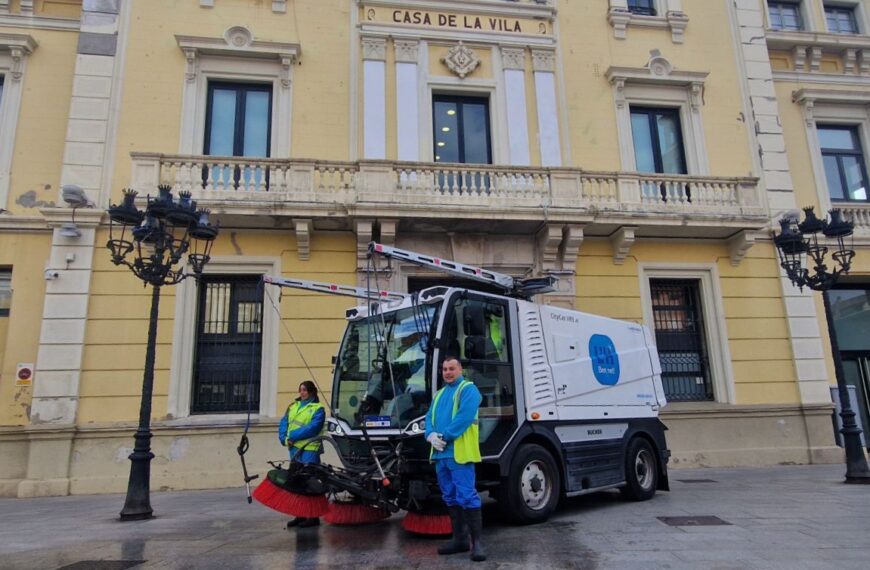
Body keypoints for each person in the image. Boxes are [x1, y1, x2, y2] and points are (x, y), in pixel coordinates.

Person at [424, 356, 485, 562]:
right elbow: (429, 417)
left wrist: (443, 436)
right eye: (445, 369)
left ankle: (477, 544)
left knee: (467, 496)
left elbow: (464, 417)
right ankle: (460, 540)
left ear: (460, 370)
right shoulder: (440, 394)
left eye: (451, 369)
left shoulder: (468, 390)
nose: (448, 373)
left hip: (459, 454)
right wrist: (430, 435)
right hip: (441, 455)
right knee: (449, 496)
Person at [278, 380, 326, 529]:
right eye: (300, 390)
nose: (302, 393)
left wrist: (292, 436)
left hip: (310, 449)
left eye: (304, 390)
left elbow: (313, 428)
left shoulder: (318, 409)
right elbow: (284, 422)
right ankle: (300, 515)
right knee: (297, 482)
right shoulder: (292, 406)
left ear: (311, 392)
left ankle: (313, 517)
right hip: (294, 449)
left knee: (309, 482)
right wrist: (283, 438)